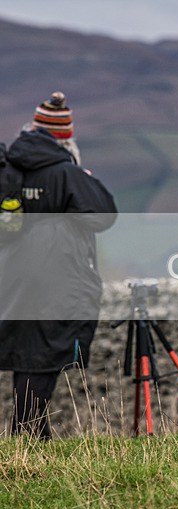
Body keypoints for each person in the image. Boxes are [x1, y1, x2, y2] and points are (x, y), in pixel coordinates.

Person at [0, 92, 117, 440]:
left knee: (25, 353)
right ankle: (30, 434)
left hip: (11, 277)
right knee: (42, 355)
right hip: (53, 281)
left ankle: (31, 434)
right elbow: (104, 215)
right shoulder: (65, 172)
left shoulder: (8, 168)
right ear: (66, 136)